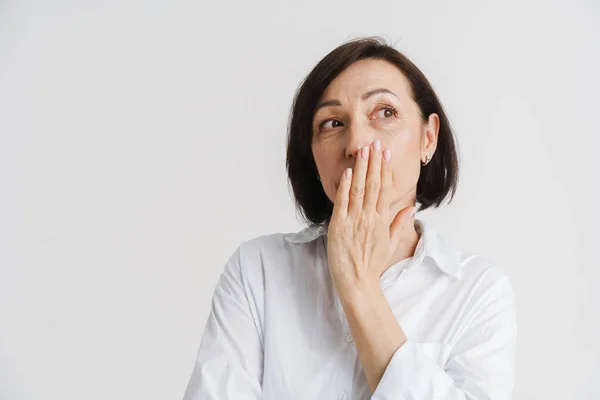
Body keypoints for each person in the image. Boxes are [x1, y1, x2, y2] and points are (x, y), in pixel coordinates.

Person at [182, 37, 518, 400]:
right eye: (332, 123)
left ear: (428, 137)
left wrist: (358, 286)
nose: (357, 144)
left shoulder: (477, 290)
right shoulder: (257, 270)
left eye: (385, 112)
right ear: (313, 156)